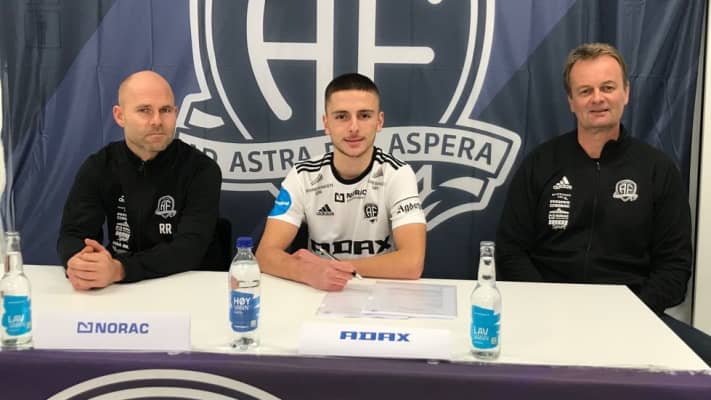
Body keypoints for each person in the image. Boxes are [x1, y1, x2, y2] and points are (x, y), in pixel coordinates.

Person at [496, 42, 711, 363]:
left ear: (626, 93)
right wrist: (546, 304)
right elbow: (510, 251)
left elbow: (675, 266)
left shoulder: (657, 170)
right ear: (571, 102)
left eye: (607, 87)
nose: (597, 98)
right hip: (546, 317)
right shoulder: (540, 164)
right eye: (585, 91)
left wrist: (632, 314)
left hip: (635, 318)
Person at [256, 73, 426, 291]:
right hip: (319, 289)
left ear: (379, 121)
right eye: (341, 117)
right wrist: (308, 272)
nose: (353, 127)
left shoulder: (397, 173)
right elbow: (265, 254)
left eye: (364, 115)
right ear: (326, 123)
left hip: (379, 291)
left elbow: (412, 263)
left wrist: (330, 268)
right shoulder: (303, 174)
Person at [57, 70, 223, 290]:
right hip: (118, 288)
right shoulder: (100, 166)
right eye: (144, 110)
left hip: (187, 286)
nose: (157, 121)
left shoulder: (201, 170)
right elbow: (73, 234)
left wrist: (119, 269)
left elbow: (189, 248)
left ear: (176, 113)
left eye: (165, 110)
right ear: (120, 116)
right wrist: (83, 264)